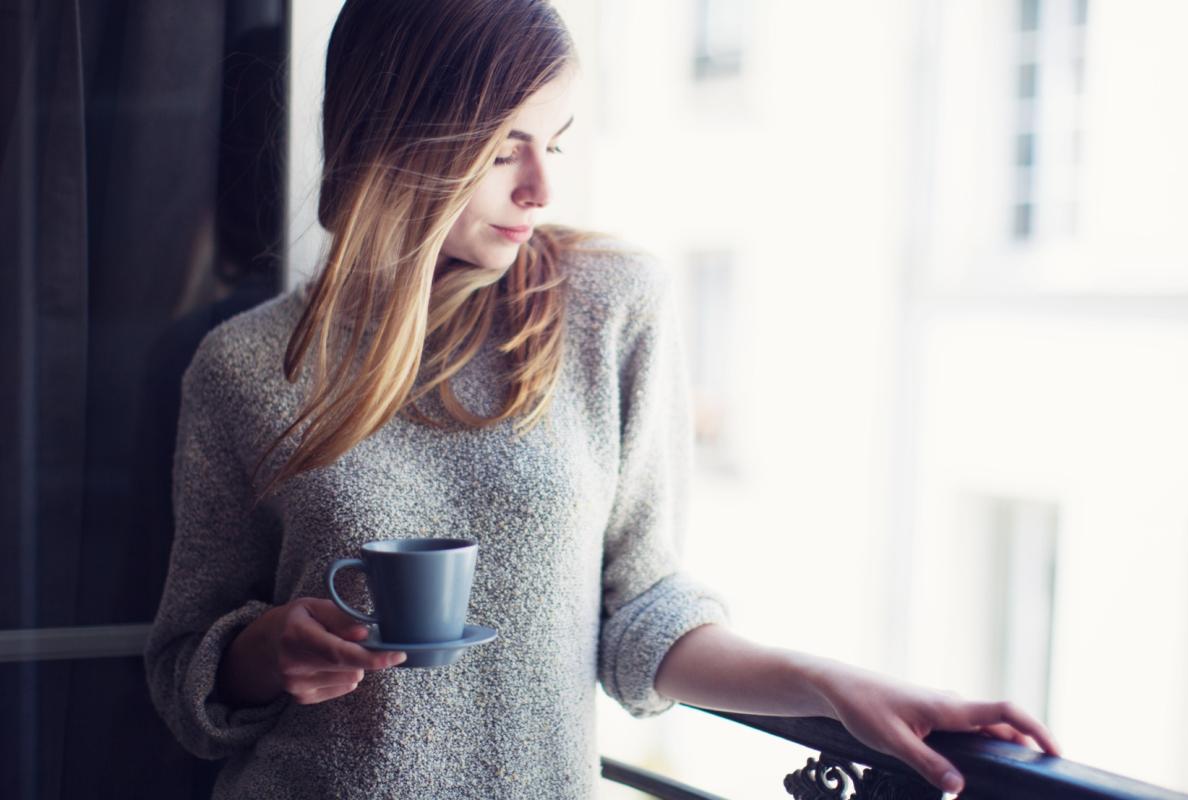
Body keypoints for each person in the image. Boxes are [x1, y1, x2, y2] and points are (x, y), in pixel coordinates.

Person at [144, 0, 1061, 797]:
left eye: (556, 144)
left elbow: (642, 609)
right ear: (396, 140)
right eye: (503, 152)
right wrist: (268, 652)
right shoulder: (243, 366)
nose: (541, 189)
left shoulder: (609, 305)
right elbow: (188, 666)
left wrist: (832, 687)